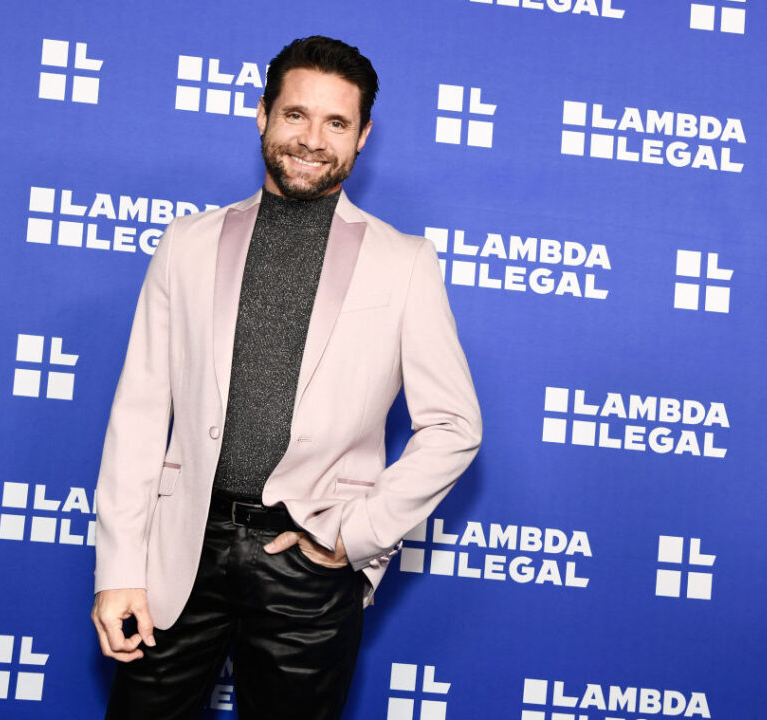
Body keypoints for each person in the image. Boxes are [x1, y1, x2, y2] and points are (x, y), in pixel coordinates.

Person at [91, 35, 482, 720]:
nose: (311, 138)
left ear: (362, 137)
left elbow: (453, 427)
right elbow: (140, 413)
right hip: (177, 556)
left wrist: (354, 536)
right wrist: (119, 569)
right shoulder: (186, 243)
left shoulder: (404, 262)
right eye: (295, 115)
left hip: (307, 566)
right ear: (262, 115)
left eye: (336, 122)